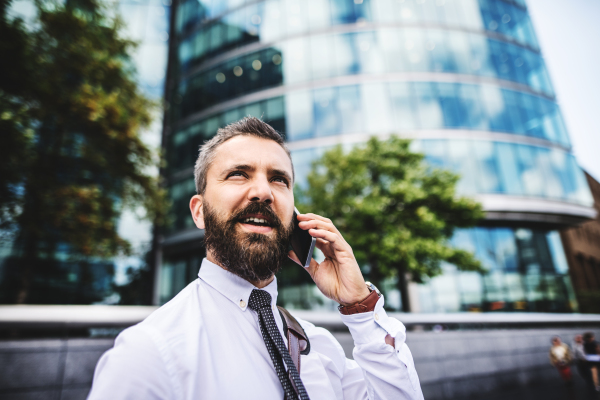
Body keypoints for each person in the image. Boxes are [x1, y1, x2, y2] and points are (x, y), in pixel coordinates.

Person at [88, 117, 424, 400]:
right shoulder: (147, 355)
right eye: (238, 174)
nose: (263, 191)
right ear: (200, 211)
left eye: (278, 179)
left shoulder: (322, 348)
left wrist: (360, 307)